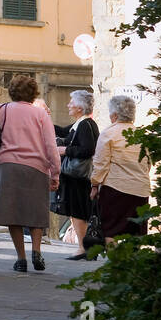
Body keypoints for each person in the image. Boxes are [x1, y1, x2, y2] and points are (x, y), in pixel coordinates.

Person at [0, 74, 60, 272]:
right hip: (36, 166)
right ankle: (36, 251)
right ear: (34, 92)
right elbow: (51, 145)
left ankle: (21, 258)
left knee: (13, 213)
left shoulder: (1, 109)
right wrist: (56, 172)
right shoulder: (41, 114)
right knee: (35, 211)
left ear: (12, 91)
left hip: (8, 165)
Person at [90, 95, 150, 240]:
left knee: (111, 231)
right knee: (136, 233)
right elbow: (148, 163)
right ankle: (134, 262)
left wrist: (94, 185)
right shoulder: (141, 135)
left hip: (115, 188)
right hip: (141, 189)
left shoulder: (108, 133)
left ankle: (115, 262)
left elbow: (101, 164)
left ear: (115, 115)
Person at [56, 90, 99, 259]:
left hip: (78, 176)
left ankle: (83, 248)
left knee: (78, 211)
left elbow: (88, 149)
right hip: (78, 177)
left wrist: (65, 150)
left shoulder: (84, 125)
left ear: (80, 107)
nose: (68, 105)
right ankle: (85, 247)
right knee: (77, 211)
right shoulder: (81, 123)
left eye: (71, 102)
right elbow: (61, 131)